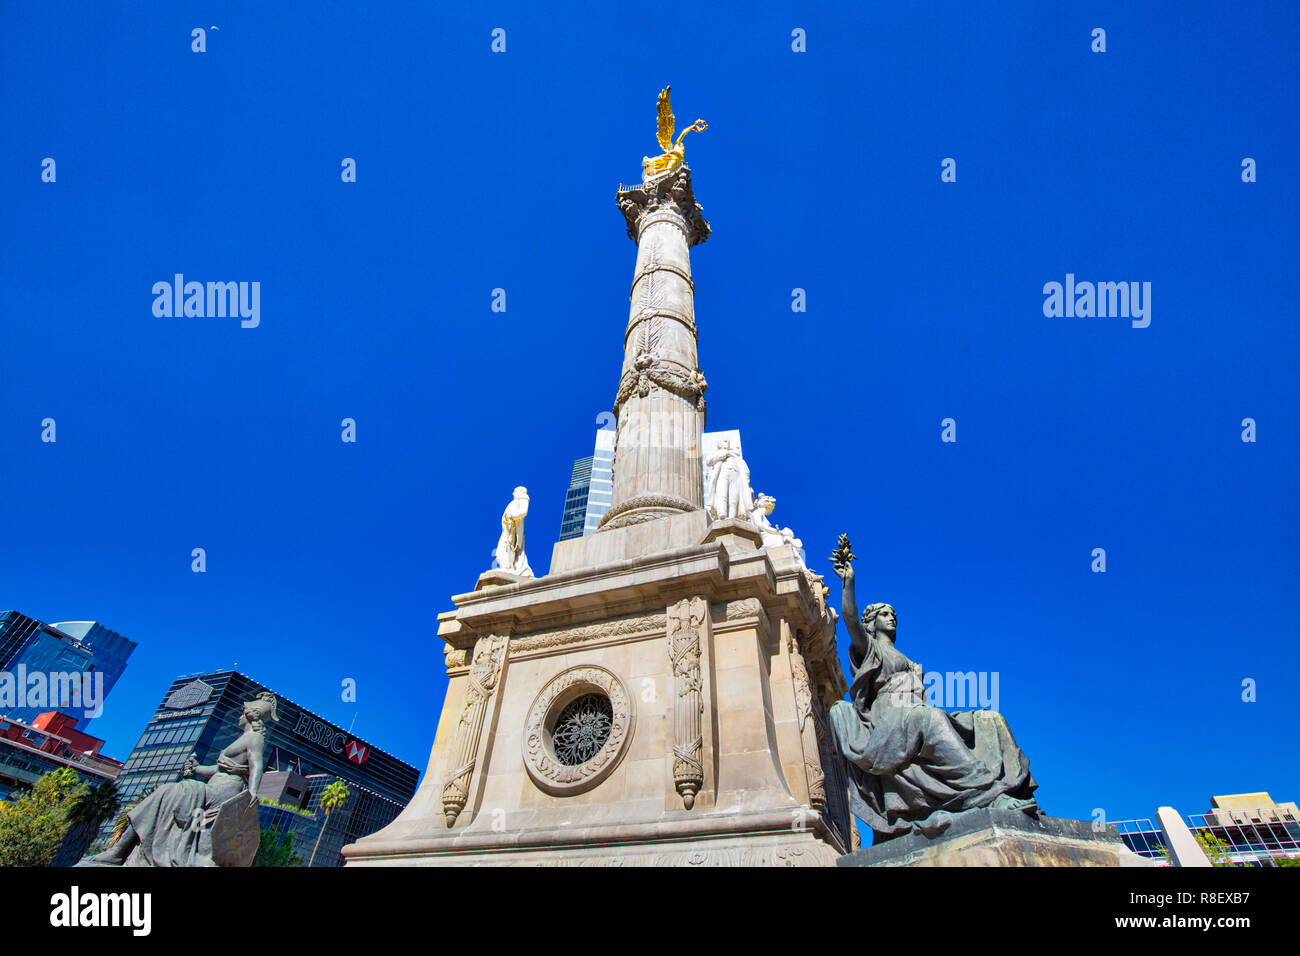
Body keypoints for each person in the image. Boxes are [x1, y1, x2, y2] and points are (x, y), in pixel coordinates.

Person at [828, 535, 1037, 839]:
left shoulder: (909, 660)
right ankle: (987, 792)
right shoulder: (871, 648)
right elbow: (849, 618)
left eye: (893, 613)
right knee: (929, 718)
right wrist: (848, 584)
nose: (892, 617)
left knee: (988, 719)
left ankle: (1011, 790)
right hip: (889, 723)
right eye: (885, 614)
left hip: (915, 715)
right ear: (872, 623)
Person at [83, 692, 276, 866]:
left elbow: (256, 765)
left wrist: (251, 794)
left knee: (168, 792)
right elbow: (218, 769)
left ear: (252, 716)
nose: (239, 716)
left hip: (223, 792)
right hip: (213, 786)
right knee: (166, 795)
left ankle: (117, 852)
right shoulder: (242, 739)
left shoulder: (255, 739)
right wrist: (197, 768)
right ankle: (118, 852)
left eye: (243, 713)